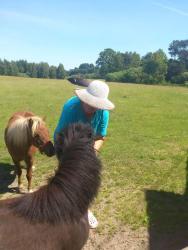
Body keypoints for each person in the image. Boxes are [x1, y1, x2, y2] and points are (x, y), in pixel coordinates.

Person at [54, 80, 115, 228]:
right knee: (68, 177)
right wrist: (73, 159)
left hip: (88, 147)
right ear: (84, 98)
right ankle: (62, 204)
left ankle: (84, 209)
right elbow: (60, 136)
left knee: (85, 180)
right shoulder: (70, 108)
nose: (92, 108)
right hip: (66, 144)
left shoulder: (103, 113)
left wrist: (91, 153)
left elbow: (100, 137)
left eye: (96, 105)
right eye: (89, 103)